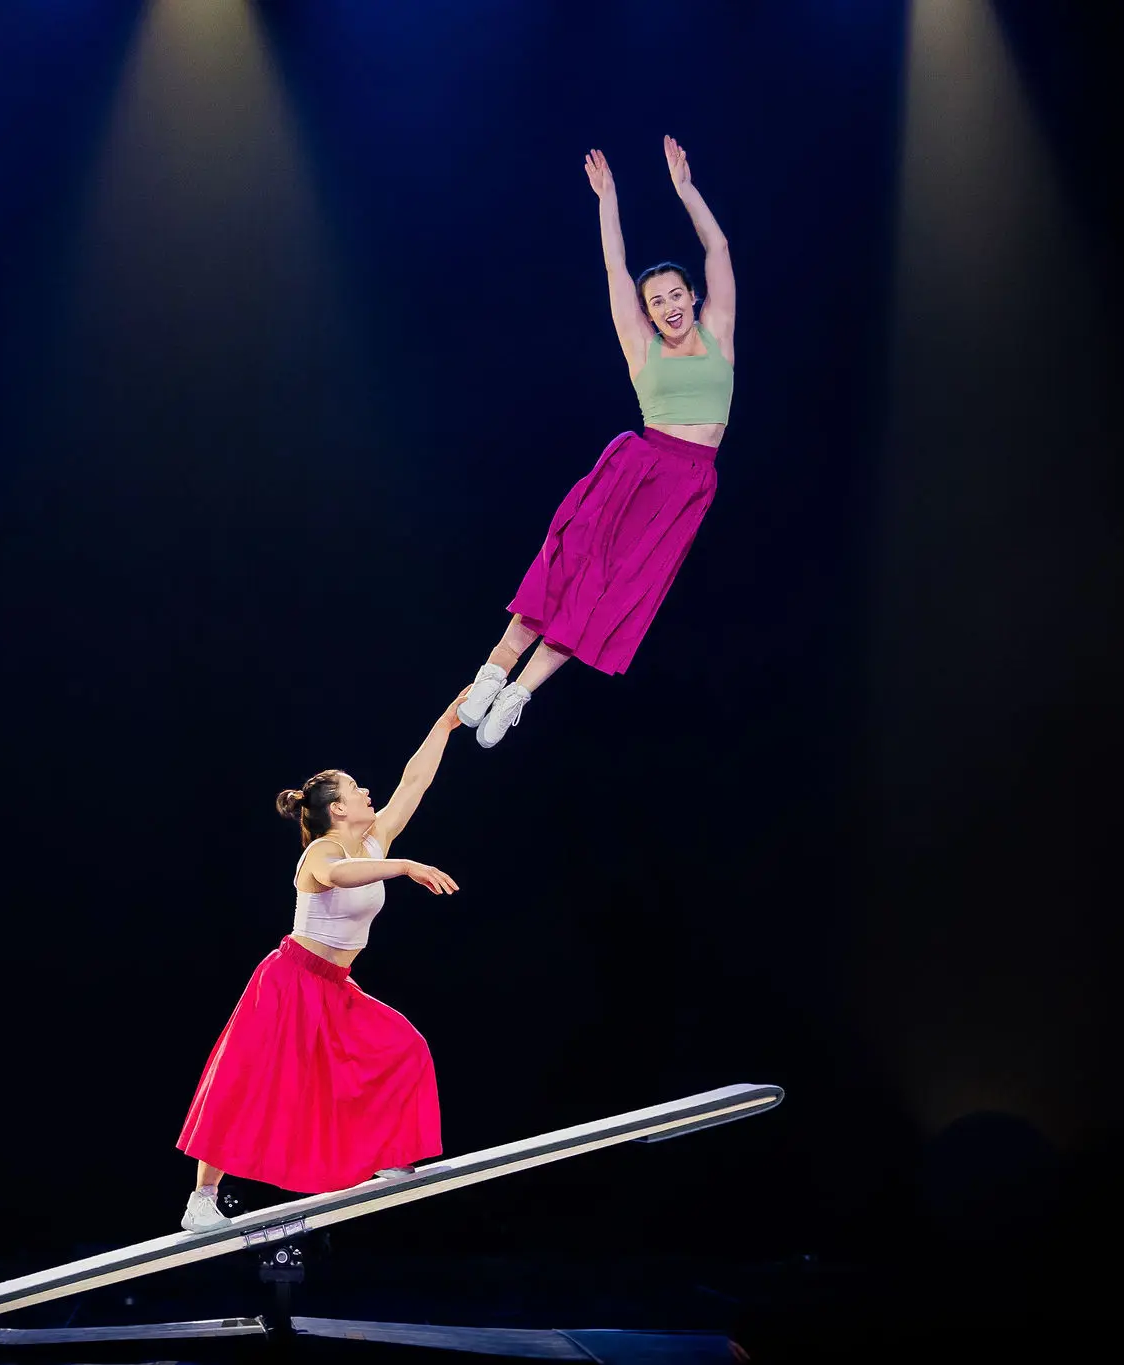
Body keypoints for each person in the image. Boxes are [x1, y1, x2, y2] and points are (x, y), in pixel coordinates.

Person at [457, 136, 737, 747]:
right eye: (654, 300)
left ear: (693, 297)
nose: (666, 306)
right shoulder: (643, 347)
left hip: (689, 483)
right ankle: (492, 673)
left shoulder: (718, 330)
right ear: (646, 310)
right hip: (638, 465)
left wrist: (686, 190)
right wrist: (608, 200)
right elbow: (615, 266)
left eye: (673, 295)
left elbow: (716, 246)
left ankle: (519, 694)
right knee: (567, 567)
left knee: (614, 591)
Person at [176, 692, 468, 1231]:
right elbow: (338, 879)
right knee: (247, 1081)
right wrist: (404, 866)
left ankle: (390, 1155)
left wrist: (446, 724)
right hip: (289, 980)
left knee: (403, 1048)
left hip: (335, 985)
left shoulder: (375, 839)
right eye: (356, 790)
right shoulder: (322, 853)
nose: (367, 793)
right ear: (338, 808)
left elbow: (414, 782)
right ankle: (202, 1200)